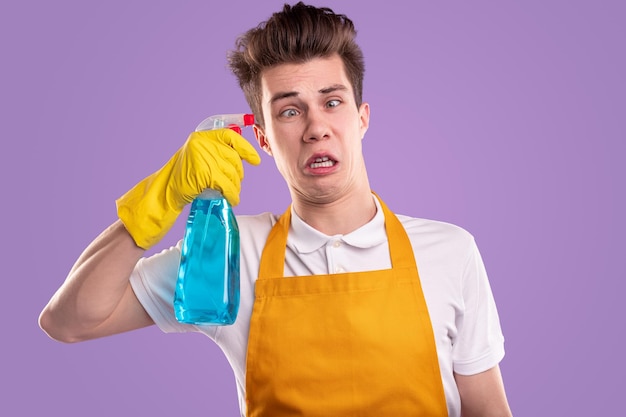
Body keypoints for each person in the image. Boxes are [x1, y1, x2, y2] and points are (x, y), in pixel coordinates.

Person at [39, 2, 513, 416]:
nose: (315, 128)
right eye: (289, 110)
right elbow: (68, 322)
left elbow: (487, 409)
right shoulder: (230, 252)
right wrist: (158, 200)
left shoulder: (450, 252)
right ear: (263, 138)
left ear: (361, 118)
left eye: (332, 102)